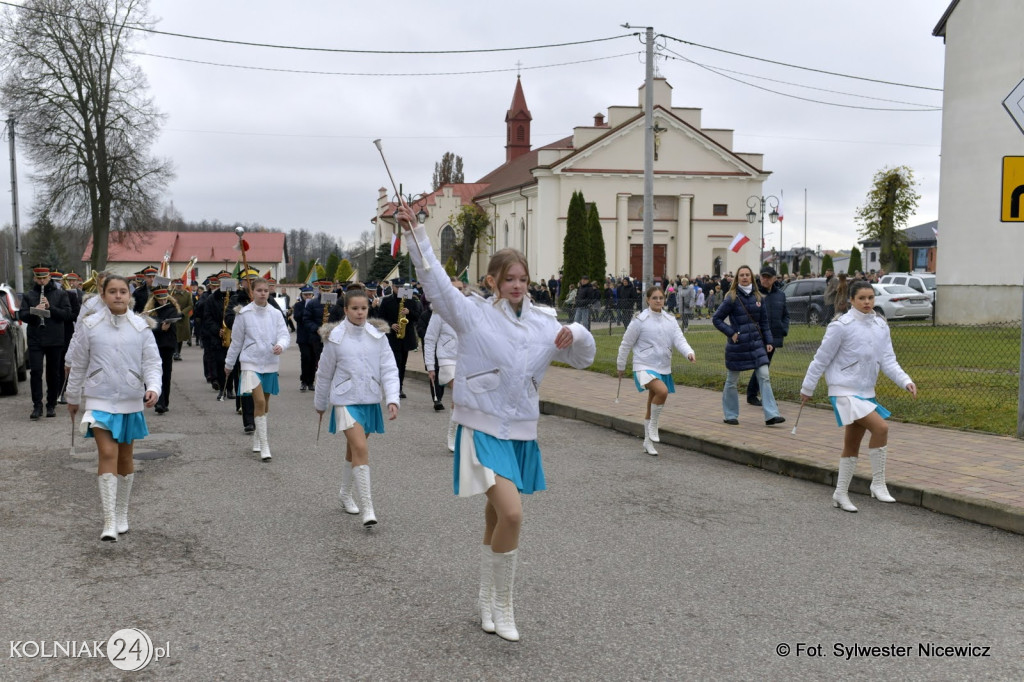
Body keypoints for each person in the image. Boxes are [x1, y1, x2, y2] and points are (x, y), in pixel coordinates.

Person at [398, 204, 596, 643]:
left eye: (523, 279)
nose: (517, 286)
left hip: (521, 429)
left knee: (494, 519)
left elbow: (583, 359)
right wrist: (416, 234)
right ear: (492, 281)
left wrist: (577, 335)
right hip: (481, 426)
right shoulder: (473, 314)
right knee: (511, 513)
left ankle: (487, 600)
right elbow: (434, 285)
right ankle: (505, 607)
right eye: (509, 279)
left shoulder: (545, 322)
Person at [800, 280, 917, 512]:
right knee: (881, 428)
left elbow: (888, 360)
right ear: (851, 301)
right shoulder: (840, 326)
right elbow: (821, 358)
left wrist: (906, 380)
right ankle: (878, 483)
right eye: (862, 298)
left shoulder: (881, 326)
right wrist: (808, 388)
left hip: (866, 392)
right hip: (843, 390)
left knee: (851, 444)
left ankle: (840, 493)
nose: (867, 302)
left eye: (871, 298)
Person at [66, 275, 161, 541]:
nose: (118, 296)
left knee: (125, 459)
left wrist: (153, 387)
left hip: (131, 399)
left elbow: (152, 363)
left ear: (130, 296)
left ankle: (122, 513)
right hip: (99, 399)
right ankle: (108, 521)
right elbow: (79, 364)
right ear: (103, 295)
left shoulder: (141, 327)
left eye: (123, 292)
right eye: (112, 292)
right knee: (107, 453)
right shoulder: (90, 326)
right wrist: (73, 397)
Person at [313, 288, 399, 526]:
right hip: (345, 400)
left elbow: (389, 369)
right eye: (355, 308)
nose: (360, 313)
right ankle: (368, 509)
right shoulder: (335, 338)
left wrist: (392, 399)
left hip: (370, 398)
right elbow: (324, 373)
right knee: (360, 448)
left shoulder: (377, 336)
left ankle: (344, 493)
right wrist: (320, 403)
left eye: (364, 308)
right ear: (345, 310)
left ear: (368, 308)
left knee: (354, 451)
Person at [616, 285, 696, 455]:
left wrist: (689, 352)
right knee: (662, 391)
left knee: (651, 402)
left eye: (661, 298)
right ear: (648, 300)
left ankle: (647, 442)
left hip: (663, 365)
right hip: (643, 365)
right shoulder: (639, 320)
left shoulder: (670, 319)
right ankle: (654, 425)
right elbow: (626, 343)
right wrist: (621, 365)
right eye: (655, 298)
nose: (658, 301)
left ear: (664, 299)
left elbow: (679, 339)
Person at [225, 277, 290, 461]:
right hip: (250, 363)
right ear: (252, 292)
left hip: (269, 362)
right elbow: (236, 342)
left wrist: (281, 345)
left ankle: (256, 439)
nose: (263, 293)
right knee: (259, 402)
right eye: (259, 290)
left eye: (266, 290)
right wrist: (229, 364)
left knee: (265, 403)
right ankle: (265, 444)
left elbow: (284, 335)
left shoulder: (276, 314)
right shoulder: (243, 314)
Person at [712, 265, 785, 426]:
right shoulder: (731, 297)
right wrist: (731, 333)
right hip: (738, 347)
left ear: (752, 278)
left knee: (764, 376)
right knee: (732, 381)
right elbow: (716, 319)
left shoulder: (759, 297)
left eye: (747, 275)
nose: (745, 277)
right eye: (741, 275)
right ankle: (730, 415)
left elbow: (764, 322)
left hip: (757, 345)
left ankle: (771, 415)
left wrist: (769, 341)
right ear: (737, 279)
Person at [19, 265, 72, 419]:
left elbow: (67, 314)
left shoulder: (60, 294)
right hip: (36, 338)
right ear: (35, 278)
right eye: (39, 278)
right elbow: (22, 315)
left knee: (53, 373)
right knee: (35, 372)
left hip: (55, 338)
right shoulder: (29, 295)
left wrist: (51, 308)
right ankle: (37, 405)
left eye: (44, 278)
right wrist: (35, 310)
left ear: (49, 277)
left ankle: (51, 404)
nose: (42, 281)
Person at [423, 276, 468, 451]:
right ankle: (451, 434)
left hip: (465, 359)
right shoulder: (439, 313)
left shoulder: (467, 310)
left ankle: (461, 434)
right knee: (458, 394)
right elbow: (429, 339)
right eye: (453, 289)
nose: (457, 292)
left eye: (460, 289)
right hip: (447, 359)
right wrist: (430, 366)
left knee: (465, 400)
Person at [746, 266, 790, 406]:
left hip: (775, 336)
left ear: (774, 279)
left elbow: (785, 315)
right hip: (759, 337)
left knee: (764, 366)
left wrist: (783, 329)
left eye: (768, 277)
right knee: (762, 366)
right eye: (763, 277)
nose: (765, 280)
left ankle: (752, 393)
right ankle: (758, 396)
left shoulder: (780, 295)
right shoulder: (754, 294)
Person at [373, 278, 421, 399]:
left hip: (406, 336)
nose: (399, 289)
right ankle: (394, 388)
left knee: (403, 363)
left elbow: (417, 317)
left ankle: (399, 387)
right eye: (397, 287)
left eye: (401, 287)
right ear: (393, 287)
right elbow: (380, 318)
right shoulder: (387, 300)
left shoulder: (410, 299)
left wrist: (409, 312)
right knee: (395, 363)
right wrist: (390, 324)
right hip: (392, 337)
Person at [144, 286, 180, 414]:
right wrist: (158, 325)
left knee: (166, 373)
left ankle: (164, 402)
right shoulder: (150, 310)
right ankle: (157, 401)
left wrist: (157, 324)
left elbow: (169, 321)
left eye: (165, 299)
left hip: (167, 344)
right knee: (153, 371)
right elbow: (150, 324)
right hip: (154, 344)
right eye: (160, 300)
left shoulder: (172, 308)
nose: (163, 302)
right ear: (155, 299)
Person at [293, 286, 318, 391]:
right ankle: (303, 381)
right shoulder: (298, 305)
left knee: (313, 359)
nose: (307, 296)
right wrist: (305, 309)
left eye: (309, 294)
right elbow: (297, 317)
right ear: (302, 295)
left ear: (312, 295)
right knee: (305, 358)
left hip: (313, 336)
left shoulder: (316, 305)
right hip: (303, 336)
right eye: (305, 295)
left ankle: (311, 382)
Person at [170, 278, 193, 361]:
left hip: (182, 318)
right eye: (177, 285)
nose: (179, 287)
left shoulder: (187, 294)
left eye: (180, 285)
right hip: (173, 316)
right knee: (174, 335)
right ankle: (175, 352)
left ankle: (178, 353)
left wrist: (183, 312)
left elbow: (190, 305)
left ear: (182, 285)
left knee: (180, 336)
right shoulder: (171, 293)